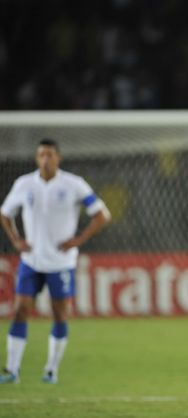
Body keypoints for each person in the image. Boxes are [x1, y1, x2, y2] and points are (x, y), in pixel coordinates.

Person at [0, 139, 111, 384]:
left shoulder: (73, 184)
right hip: (31, 260)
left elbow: (102, 215)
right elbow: (5, 213)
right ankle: (12, 370)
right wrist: (16, 240)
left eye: (50, 155)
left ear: (58, 158)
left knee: (59, 314)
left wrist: (79, 239)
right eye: (41, 155)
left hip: (60, 262)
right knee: (20, 310)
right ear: (36, 158)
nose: (45, 159)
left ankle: (51, 370)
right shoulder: (24, 184)